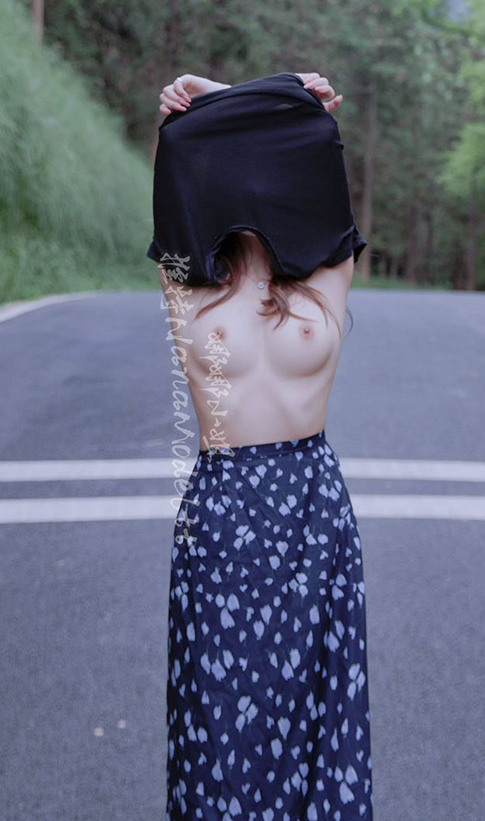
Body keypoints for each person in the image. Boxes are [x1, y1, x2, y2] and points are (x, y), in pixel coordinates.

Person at [151, 70, 374, 821]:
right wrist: (209, 103)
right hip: (227, 511)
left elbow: (318, 150)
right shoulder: (188, 278)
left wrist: (280, 94)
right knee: (220, 726)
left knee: (315, 721)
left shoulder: (323, 274)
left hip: (310, 507)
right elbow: (177, 163)